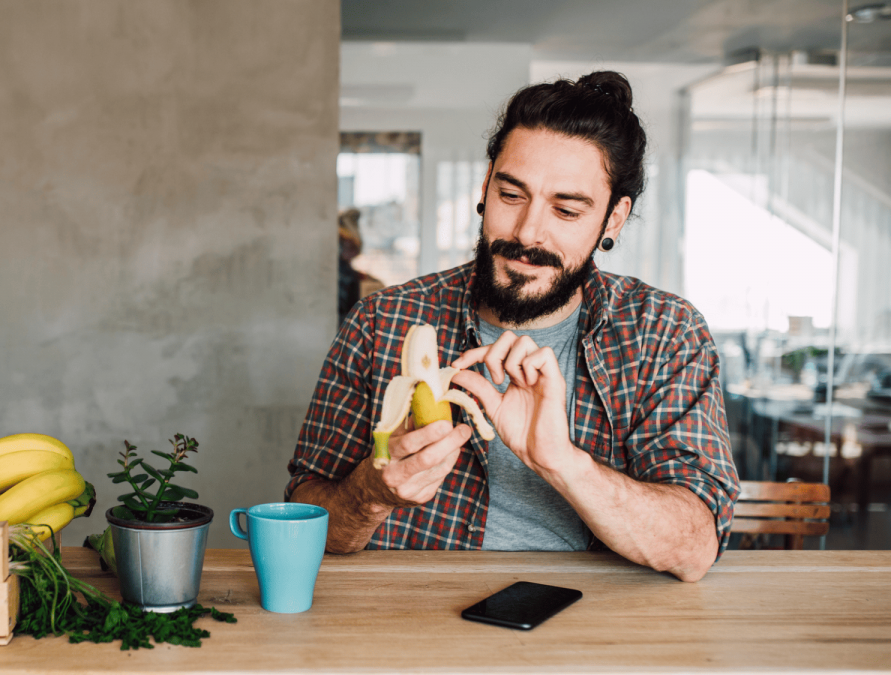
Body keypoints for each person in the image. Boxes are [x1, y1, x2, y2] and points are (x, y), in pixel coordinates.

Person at [287, 72, 740, 582]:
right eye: (511, 195)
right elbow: (304, 520)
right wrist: (372, 493)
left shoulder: (666, 332)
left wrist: (562, 462)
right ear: (485, 188)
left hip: (593, 638)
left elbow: (694, 546)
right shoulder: (382, 320)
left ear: (613, 220)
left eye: (566, 210)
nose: (527, 233)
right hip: (410, 627)